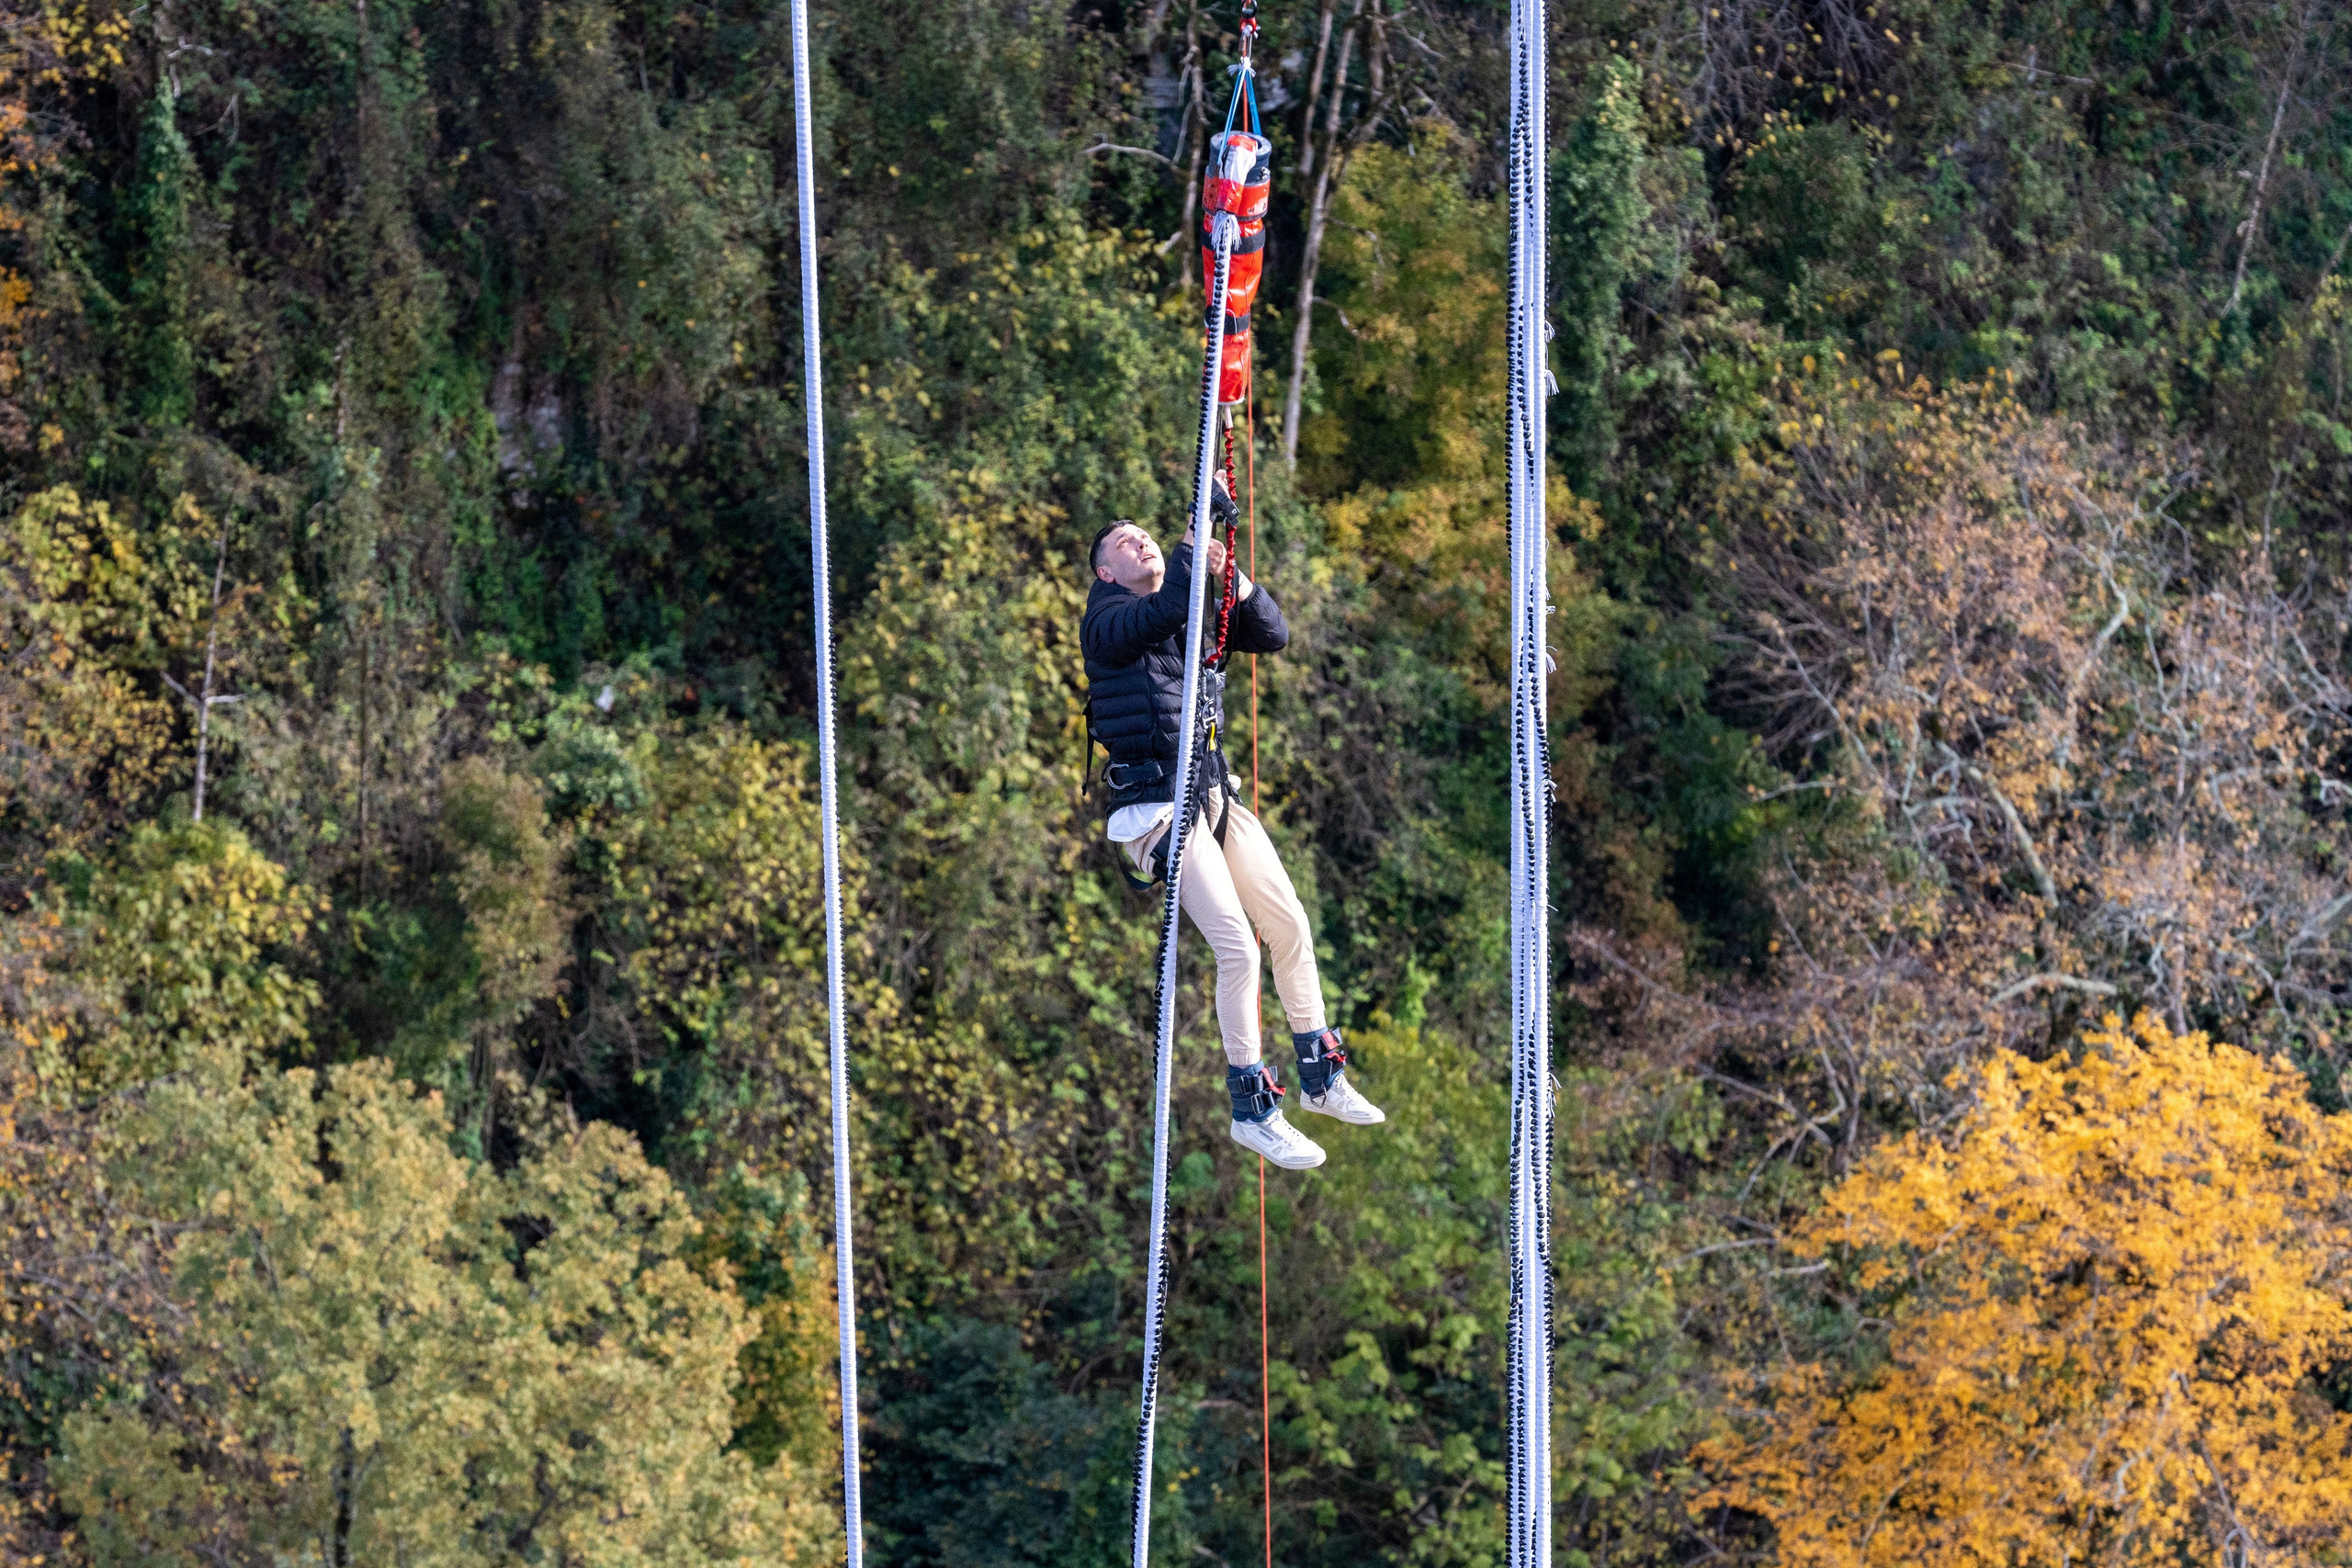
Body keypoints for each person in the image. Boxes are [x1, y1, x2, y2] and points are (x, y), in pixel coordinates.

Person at [1082, 476, 1385, 1170]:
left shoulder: (1180, 607)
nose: (1142, 539)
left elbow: (1270, 632)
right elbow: (1154, 618)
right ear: (1107, 571)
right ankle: (1251, 1107)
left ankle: (1320, 1072)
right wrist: (1193, 540)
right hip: (1159, 808)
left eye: (1147, 533)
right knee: (1238, 950)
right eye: (1126, 541)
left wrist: (1231, 573)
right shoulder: (1107, 621)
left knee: (1290, 925)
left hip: (1211, 794)